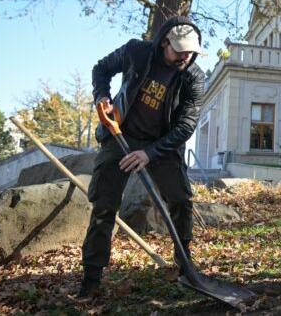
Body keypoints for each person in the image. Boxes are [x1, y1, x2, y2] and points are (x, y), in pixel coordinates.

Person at [78, 16, 205, 297]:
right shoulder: (136, 51)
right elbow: (101, 68)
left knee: (181, 201)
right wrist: (102, 96)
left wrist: (150, 153)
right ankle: (91, 281)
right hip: (120, 135)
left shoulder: (194, 77)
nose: (186, 56)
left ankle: (186, 268)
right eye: (180, 50)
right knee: (104, 206)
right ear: (163, 44)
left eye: (192, 50)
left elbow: (186, 125)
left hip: (161, 144)